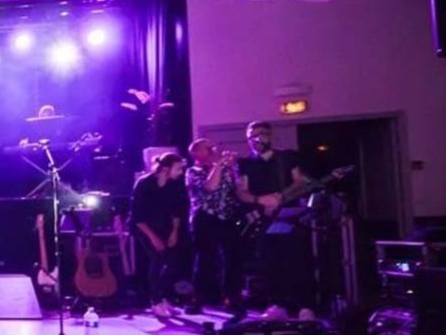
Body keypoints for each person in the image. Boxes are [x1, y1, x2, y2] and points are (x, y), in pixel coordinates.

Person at [235, 121, 316, 320]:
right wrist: (260, 200)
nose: (257, 139)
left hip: (289, 215)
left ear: (270, 135)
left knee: (297, 260)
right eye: (252, 136)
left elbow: (300, 181)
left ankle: (305, 305)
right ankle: (276, 304)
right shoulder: (245, 163)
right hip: (264, 218)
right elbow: (241, 191)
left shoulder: (286, 157)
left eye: (262, 134)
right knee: (269, 262)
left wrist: (279, 196)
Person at [185, 138, 244, 313]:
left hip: (227, 217)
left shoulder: (227, 168)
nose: (213, 150)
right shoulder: (192, 172)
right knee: (205, 260)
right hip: (205, 218)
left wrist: (233, 167)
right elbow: (210, 187)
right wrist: (218, 166)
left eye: (213, 147)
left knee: (232, 259)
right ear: (196, 153)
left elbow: (238, 188)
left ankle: (232, 297)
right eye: (207, 148)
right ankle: (199, 298)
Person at [131, 152, 188, 318]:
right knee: (157, 260)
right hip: (145, 228)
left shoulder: (175, 184)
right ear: (165, 169)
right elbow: (138, 216)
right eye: (178, 168)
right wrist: (153, 237)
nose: (181, 172)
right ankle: (155, 301)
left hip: (166, 227)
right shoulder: (144, 184)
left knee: (174, 264)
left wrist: (174, 232)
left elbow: (178, 210)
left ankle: (164, 297)